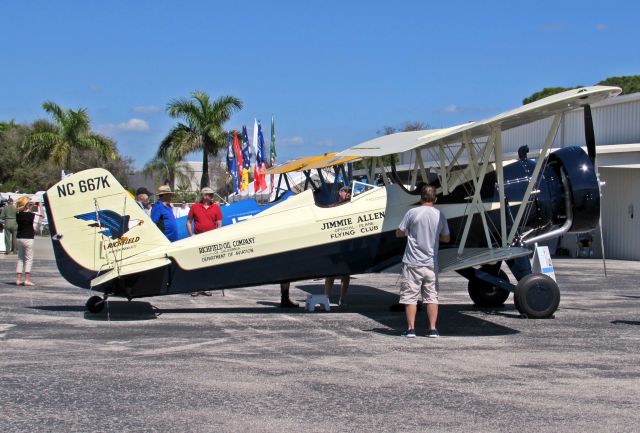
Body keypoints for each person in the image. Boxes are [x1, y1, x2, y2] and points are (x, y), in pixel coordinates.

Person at [395, 185, 450, 338]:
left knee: (410, 297)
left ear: (421, 198)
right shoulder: (440, 215)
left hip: (412, 262)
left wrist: (403, 233)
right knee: (432, 297)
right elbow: (446, 238)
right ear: (436, 199)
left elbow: (400, 232)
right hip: (431, 263)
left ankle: (411, 329)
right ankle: (433, 329)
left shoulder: (412, 212)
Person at [187, 187, 223, 296]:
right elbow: (188, 222)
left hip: (210, 239)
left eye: (212, 195)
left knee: (208, 264)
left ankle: (206, 287)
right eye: (210, 195)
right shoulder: (195, 207)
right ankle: (195, 288)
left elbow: (219, 223)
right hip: (197, 238)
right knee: (196, 264)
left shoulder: (216, 207)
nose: (212, 197)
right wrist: (191, 235)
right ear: (205, 196)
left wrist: (216, 236)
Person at [324, 186, 351, 305]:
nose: (348, 193)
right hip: (335, 244)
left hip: (346, 243)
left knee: (346, 273)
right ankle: (326, 298)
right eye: (346, 191)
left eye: (349, 192)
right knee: (330, 273)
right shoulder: (333, 206)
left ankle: (343, 298)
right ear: (340, 193)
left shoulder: (351, 205)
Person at [15, 197, 44, 286]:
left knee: (20, 259)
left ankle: (18, 279)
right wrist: (40, 206)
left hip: (19, 237)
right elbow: (42, 216)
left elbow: (25, 210)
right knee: (28, 259)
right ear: (27, 205)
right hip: (28, 238)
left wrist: (29, 206)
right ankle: (27, 280)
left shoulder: (18, 214)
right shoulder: (32, 215)